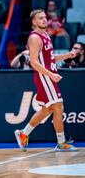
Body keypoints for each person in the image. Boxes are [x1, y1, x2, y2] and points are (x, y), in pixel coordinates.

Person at [14, 9, 78, 152]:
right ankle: (61, 143)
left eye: (45, 17)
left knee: (47, 109)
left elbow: (50, 58)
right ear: (34, 22)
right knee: (58, 106)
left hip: (48, 76)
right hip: (45, 77)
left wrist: (66, 55)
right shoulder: (34, 38)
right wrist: (51, 74)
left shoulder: (46, 35)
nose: (44, 20)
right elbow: (34, 62)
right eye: (40, 18)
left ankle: (23, 133)